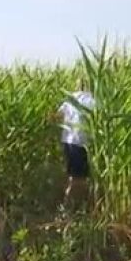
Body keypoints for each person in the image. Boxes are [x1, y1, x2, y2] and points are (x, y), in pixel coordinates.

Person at [56, 81, 96, 209]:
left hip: (68, 141)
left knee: (75, 177)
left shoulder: (71, 99)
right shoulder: (92, 100)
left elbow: (57, 116)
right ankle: (66, 208)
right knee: (78, 179)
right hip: (80, 143)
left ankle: (78, 206)